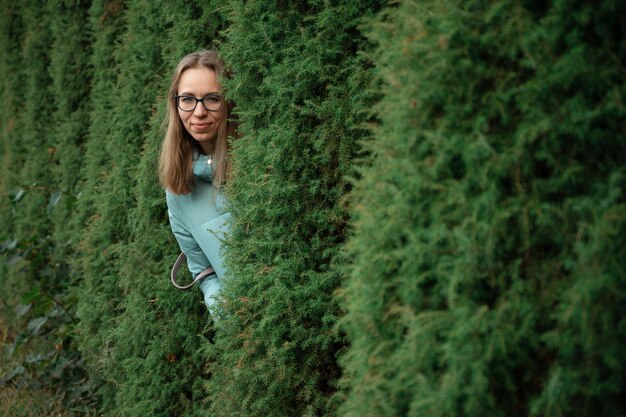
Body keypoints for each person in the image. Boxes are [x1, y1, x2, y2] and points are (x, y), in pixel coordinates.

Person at [159, 50, 236, 309]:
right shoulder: (178, 189)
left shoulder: (256, 161)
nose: (199, 112)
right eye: (188, 99)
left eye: (212, 99)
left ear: (228, 102)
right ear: (176, 103)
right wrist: (222, 309)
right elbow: (203, 270)